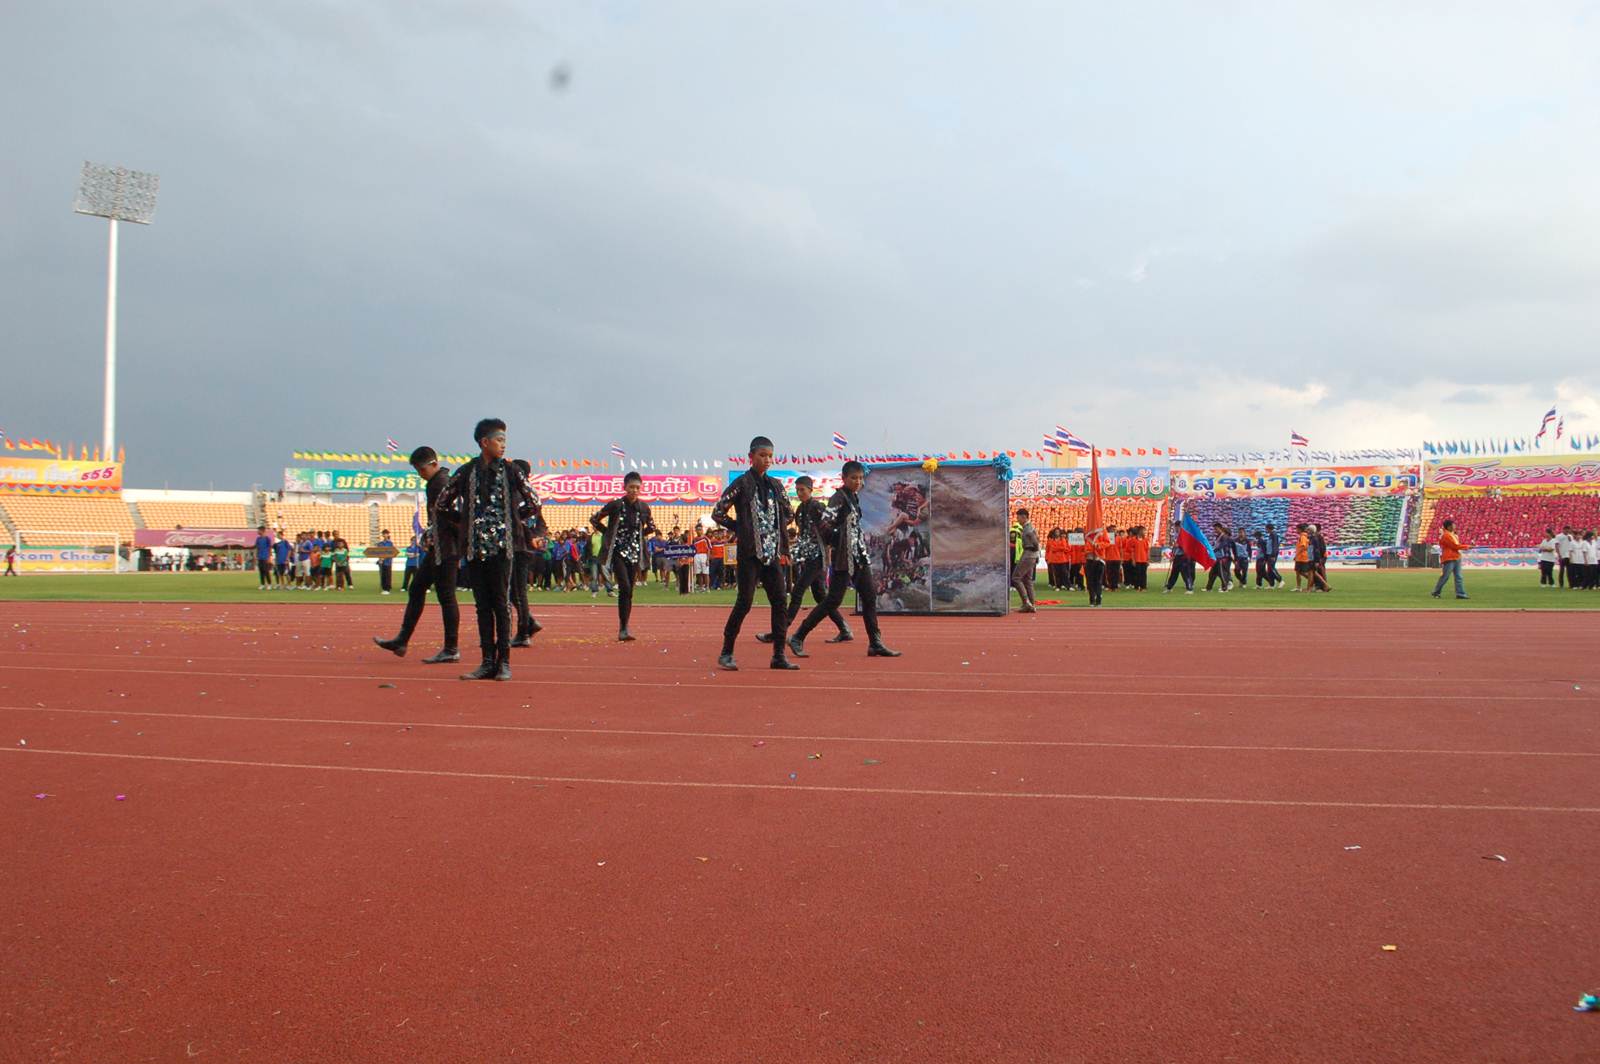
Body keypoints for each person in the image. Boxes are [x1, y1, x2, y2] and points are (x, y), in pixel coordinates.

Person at [434, 419, 542, 681]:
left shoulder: (511, 471)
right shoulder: (466, 472)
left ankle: (504, 662)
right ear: (485, 442)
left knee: (501, 604)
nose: (504, 445)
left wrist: (512, 520)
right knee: (482, 606)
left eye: (505, 440)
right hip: (474, 548)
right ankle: (486, 662)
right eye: (499, 440)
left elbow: (534, 502)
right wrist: (464, 522)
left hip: (504, 549)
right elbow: (442, 503)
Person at [788, 461, 900, 658]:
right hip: (844, 557)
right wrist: (837, 540)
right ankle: (798, 636)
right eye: (853, 478)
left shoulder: (852, 497)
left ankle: (875, 642)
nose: (858, 482)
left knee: (869, 596)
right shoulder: (838, 498)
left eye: (860, 478)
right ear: (844, 478)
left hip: (858, 555)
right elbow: (825, 523)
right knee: (832, 600)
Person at [712, 435, 798, 671]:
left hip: (772, 554)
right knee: (745, 602)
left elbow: (789, 514)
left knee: (780, 601)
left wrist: (777, 536)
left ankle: (778, 655)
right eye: (762, 455)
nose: (767, 460)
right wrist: (741, 527)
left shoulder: (776, 486)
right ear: (751, 457)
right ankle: (726, 652)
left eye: (770, 456)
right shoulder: (741, 484)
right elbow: (718, 512)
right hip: (749, 554)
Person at [373, 446, 463, 665]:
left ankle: (451, 648)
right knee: (418, 588)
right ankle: (402, 640)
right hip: (439, 547)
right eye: (417, 470)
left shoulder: (441, 484)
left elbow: (452, 517)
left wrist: (442, 537)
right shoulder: (437, 482)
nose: (420, 474)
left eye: (422, 469)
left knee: (445, 595)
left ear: (434, 464)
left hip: (445, 548)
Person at [758, 475, 851, 646]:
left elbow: (830, 528)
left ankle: (780, 631)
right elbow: (803, 536)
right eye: (797, 490)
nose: (799, 493)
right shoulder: (800, 509)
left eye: (802, 490)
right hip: (809, 557)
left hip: (818, 556)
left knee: (798, 591)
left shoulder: (818, 507)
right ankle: (844, 628)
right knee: (821, 596)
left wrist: (830, 546)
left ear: (811, 490)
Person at [590, 471, 658, 642]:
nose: (634, 490)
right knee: (625, 587)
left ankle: (624, 627)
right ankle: (623, 628)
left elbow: (651, 527)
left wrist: (641, 533)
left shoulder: (644, 508)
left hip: (635, 553)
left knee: (629, 591)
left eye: (637, 488)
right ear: (625, 487)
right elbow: (595, 519)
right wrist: (607, 533)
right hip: (617, 551)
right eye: (631, 487)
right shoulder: (616, 505)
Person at [509, 459, 547, 649]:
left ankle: (524, 631)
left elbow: (519, 522)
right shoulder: (531, 494)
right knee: (513, 591)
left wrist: (532, 536)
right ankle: (528, 622)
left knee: (516, 591)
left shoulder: (515, 494)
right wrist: (537, 536)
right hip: (526, 548)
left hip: (517, 546)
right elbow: (541, 524)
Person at [1009, 508, 1040, 613]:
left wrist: (1034, 549)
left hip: (1028, 553)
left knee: (1016, 578)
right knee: (1027, 580)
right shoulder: (1028, 527)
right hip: (1032, 554)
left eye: (1018, 517)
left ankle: (1026, 603)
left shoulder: (1027, 528)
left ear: (1024, 517)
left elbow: (1035, 541)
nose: (1017, 520)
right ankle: (1032, 603)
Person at [1430, 519, 1470, 600]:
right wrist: (1467, 546)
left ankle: (1460, 594)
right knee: (1446, 576)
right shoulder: (1446, 536)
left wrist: (1465, 546)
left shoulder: (1452, 535)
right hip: (1449, 558)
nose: (1455, 526)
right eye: (1453, 525)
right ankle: (1436, 592)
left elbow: (1456, 545)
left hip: (1455, 557)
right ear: (1449, 527)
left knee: (1458, 577)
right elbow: (1454, 546)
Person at [1204, 523, 1233, 592]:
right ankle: (1209, 588)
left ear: (1220, 528)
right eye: (1214, 529)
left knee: (1222, 573)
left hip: (1221, 558)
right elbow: (1215, 545)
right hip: (1217, 557)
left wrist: (1213, 550)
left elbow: (1221, 546)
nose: (1215, 530)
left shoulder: (1224, 537)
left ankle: (1224, 588)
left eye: (1216, 529)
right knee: (1212, 573)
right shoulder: (1218, 536)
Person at [1084, 527, 1107, 606]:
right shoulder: (1087, 530)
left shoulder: (1103, 531)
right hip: (1089, 559)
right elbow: (1084, 543)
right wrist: (1088, 550)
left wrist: (1099, 545)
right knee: (1090, 581)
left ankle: (1098, 598)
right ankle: (1092, 599)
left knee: (1098, 581)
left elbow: (1107, 542)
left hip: (1099, 559)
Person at [253, 525, 274, 589]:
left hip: (266, 557)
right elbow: (257, 548)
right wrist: (255, 556)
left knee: (266, 571)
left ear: (262, 531)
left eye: (258, 530)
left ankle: (269, 584)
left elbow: (270, 548)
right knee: (261, 571)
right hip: (260, 557)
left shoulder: (267, 539)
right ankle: (262, 584)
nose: (257, 531)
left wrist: (269, 557)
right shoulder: (258, 539)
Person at [375, 529, 395, 594]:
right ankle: (384, 588)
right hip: (382, 562)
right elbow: (378, 552)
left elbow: (391, 552)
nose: (385, 535)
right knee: (383, 575)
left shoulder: (390, 543)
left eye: (386, 534)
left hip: (388, 561)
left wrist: (384, 558)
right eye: (384, 534)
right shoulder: (380, 543)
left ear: (388, 535)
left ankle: (387, 589)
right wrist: (380, 559)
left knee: (388, 575)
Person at [1293, 523, 1311, 592]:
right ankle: (1298, 587)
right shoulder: (1304, 536)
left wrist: (1297, 555)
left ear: (1300, 529)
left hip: (1301, 557)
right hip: (1301, 557)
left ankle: (1314, 582)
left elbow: (1303, 547)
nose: (1296, 530)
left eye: (1297, 529)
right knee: (1298, 572)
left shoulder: (1303, 537)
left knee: (1301, 572)